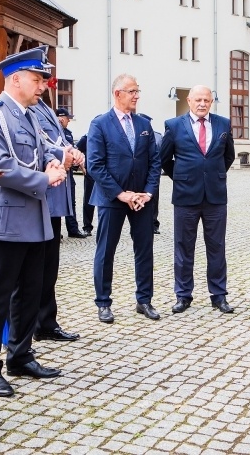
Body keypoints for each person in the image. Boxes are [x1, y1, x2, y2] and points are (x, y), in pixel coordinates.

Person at [0, 45, 68, 398]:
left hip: (36, 218)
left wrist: (57, 163)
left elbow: (44, 152)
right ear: (16, 79)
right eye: (36, 78)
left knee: (31, 291)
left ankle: (20, 354)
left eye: (42, 79)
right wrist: (45, 179)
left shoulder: (30, 115)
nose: (42, 85)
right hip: (9, 219)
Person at [88, 74, 161, 323]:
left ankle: (144, 300)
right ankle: (103, 302)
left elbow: (154, 162)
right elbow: (95, 166)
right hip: (112, 199)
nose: (137, 96)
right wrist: (121, 194)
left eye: (138, 91)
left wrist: (148, 193)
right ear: (118, 93)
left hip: (141, 200)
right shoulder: (100, 124)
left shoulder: (144, 124)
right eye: (132, 91)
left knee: (144, 250)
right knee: (106, 251)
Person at [160, 85, 236, 315]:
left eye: (207, 100)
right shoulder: (173, 126)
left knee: (217, 246)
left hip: (215, 196)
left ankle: (219, 295)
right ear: (189, 101)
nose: (202, 104)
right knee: (184, 247)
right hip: (185, 196)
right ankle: (183, 295)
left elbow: (228, 155)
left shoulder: (223, 123)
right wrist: (182, 177)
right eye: (198, 100)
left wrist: (214, 175)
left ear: (211, 102)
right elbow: (165, 159)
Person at [31, 99, 83, 343]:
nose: (43, 84)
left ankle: (46, 322)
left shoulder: (43, 106)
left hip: (53, 200)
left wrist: (71, 150)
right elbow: (41, 146)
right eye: (39, 78)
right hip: (39, 197)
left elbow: (57, 141)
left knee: (49, 267)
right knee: (34, 270)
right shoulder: (26, 109)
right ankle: (28, 327)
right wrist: (63, 153)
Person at [55, 107, 86, 238]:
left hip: (68, 174)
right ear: (61, 118)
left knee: (71, 201)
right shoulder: (54, 132)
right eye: (68, 119)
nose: (69, 121)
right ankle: (56, 231)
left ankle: (73, 229)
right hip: (57, 172)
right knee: (56, 201)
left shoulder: (68, 133)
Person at [138, 113, 163, 234]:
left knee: (153, 199)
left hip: (153, 173)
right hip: (139, 173)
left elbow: (163, 155)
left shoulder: (158, 136)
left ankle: (154, 223)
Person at [75, 133, 96, 237]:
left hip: (106, 173)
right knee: (89, 200)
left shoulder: (108, 136)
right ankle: (87, 227)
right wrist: (82, 167)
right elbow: (75, 151)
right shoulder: (87, 138)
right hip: (91, 174)